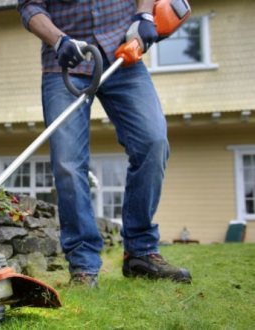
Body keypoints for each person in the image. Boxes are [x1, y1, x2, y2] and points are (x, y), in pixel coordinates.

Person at [16, 0, 191, 287]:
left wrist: (144, 14)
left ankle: (141, 253)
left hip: (124, 57)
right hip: (66, 61)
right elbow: (29, 8)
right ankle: (83, 267)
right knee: (68, 164)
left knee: (153, 142)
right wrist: (59, 40)